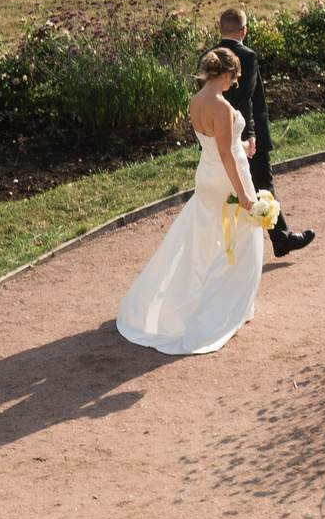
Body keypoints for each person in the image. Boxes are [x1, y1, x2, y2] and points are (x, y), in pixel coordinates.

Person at [116, 47, 272, 353]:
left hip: (206, 177)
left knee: (206, 238)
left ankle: (205, 300)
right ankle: (230, 307)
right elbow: (226, 153)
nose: (234, 84)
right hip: (228, 179)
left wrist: (242, 146)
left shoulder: (196, 100)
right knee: (242, 239)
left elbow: (216, 144)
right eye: (234, 78)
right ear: (226, 74)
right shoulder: (222, 107)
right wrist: (243, 195)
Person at [215, 8, 312, 258]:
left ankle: (270, 241)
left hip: (215, 133)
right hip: (244, 131)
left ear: (219, 29)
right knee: (262, 185)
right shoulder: (246, 55)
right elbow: (246, 96)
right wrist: (249, 134)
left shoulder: (209, 55)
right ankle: (280, 240)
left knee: (224, 190)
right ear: (244, 31)